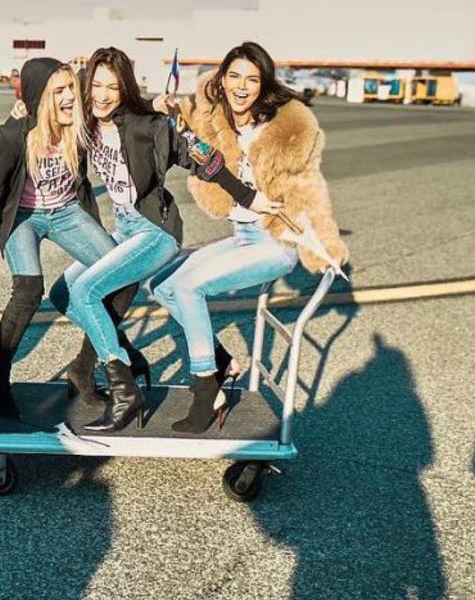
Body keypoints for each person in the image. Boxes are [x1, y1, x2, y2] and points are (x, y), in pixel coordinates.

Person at [49, 47, 280, 433]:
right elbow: (49, 115)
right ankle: (125, 357)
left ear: (125, 90)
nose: (103, 95)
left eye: (113, 87)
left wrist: (246, 195)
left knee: (87, 289)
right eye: (97, 86)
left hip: (156, 232)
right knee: (63, 292)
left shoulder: (148, 127)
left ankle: (125, 393)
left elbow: (200, 157)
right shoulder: (85, 124)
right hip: (123, 230)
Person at [149, 42, 348, 433]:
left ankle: (208, 392)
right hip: (241, 234)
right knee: (162, 285)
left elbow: (311, 187)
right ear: (222, 80)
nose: (242, 87)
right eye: (235, 76)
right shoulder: (216, 115)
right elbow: (186, 121)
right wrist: (166, 107)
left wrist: (328, 247)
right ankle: (221, 363)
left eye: (252, 79)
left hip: (274, 242)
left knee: (189, 287)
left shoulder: (287, 129)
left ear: (264, 84)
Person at [0, 58, 145, 418]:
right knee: (28, 289)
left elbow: (123, 116)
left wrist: (156, 109)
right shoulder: (14, 135)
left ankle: (83, 370)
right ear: (41, 99)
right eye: (59, 91)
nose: (71, 97)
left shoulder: (79, 127)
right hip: (24, 217)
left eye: (71, 88)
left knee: (125, 276)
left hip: (67, 212)